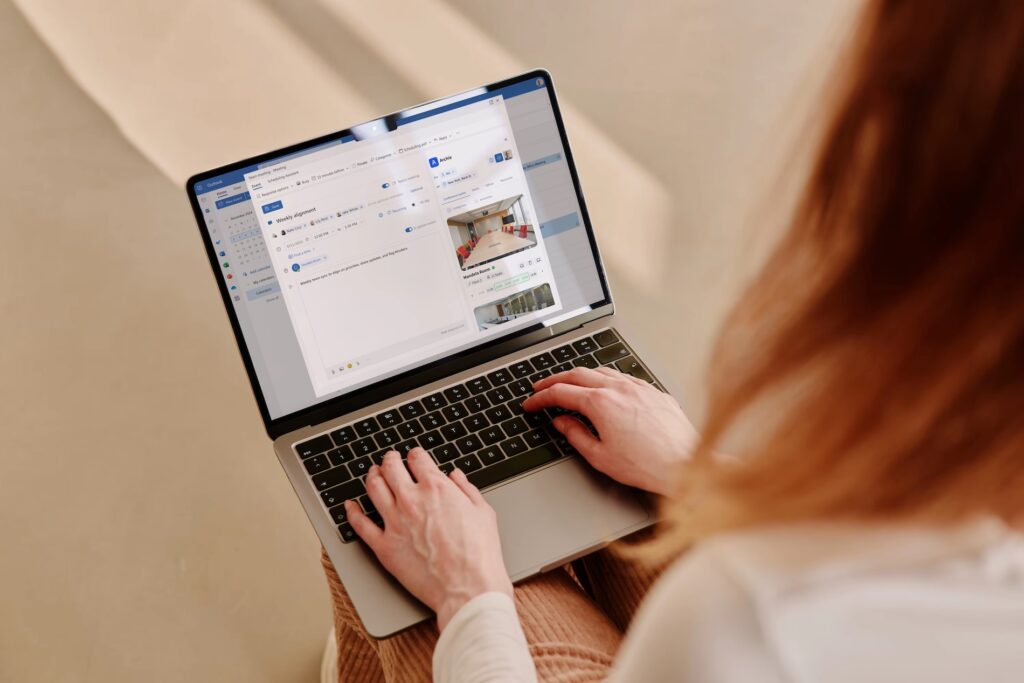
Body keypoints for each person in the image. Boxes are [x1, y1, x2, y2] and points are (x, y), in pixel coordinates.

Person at [322, 0, 1024, 680]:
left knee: (383, 515)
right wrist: (694, 470)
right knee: (597, 489)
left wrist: (470, 599)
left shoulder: (747, 620)